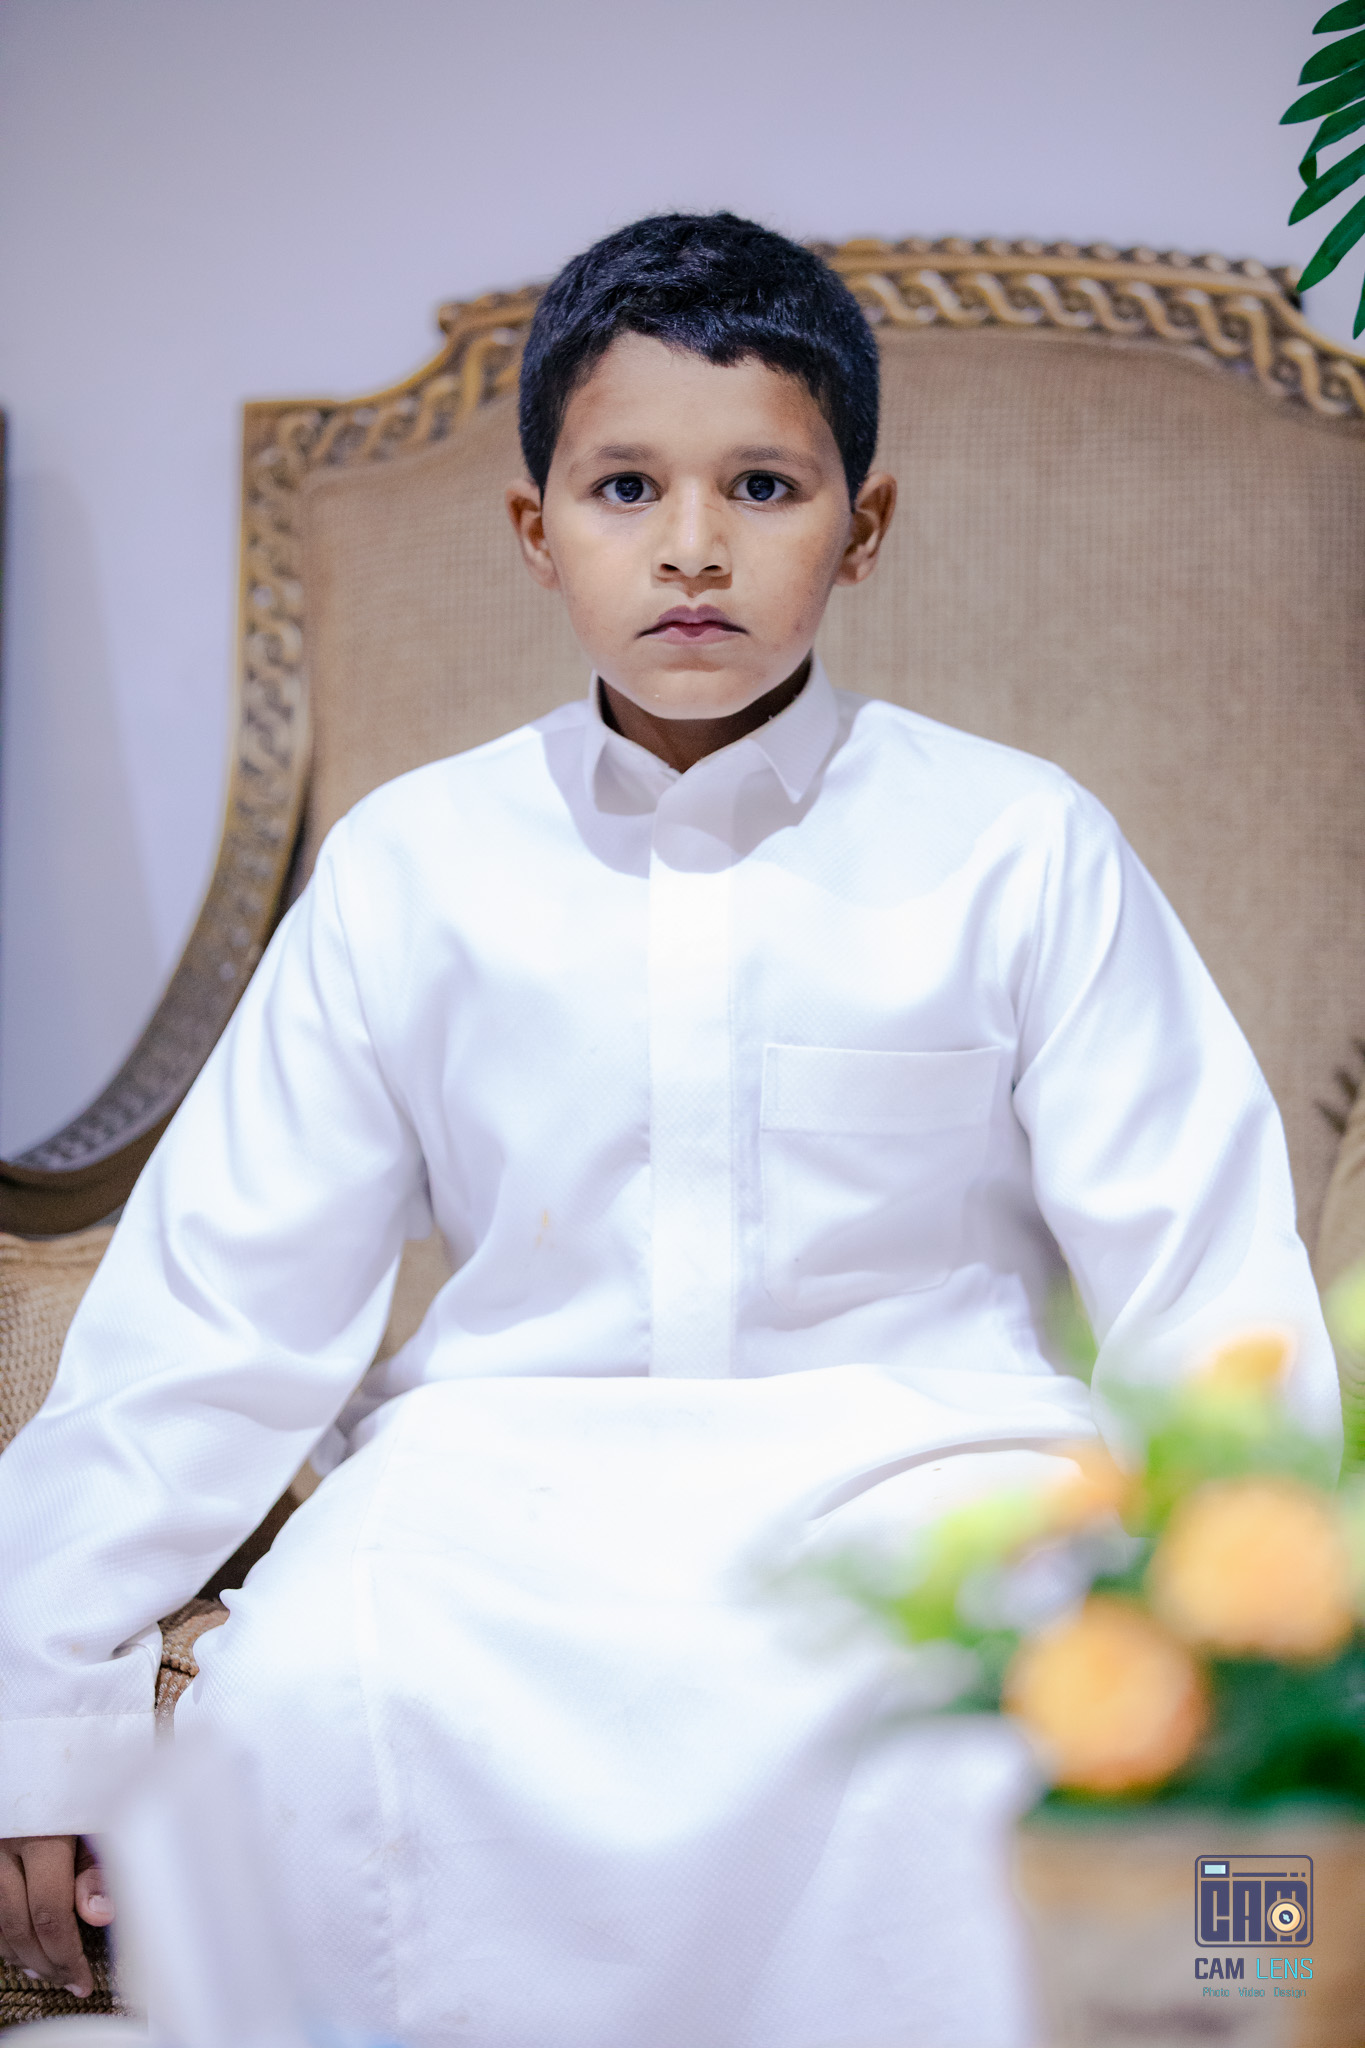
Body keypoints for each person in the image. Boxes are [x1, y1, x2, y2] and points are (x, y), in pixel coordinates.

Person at [0, 212, 1343, 2048]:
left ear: (861, 525)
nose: (692, 544)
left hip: (938, 1490)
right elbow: (212, 1318)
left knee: (988, 1747)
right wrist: (39, 1698)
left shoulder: (1018, 845)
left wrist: (1279, 1660)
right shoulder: (412, 866)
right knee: (305, 1702)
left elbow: (1205, 1281)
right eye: (625, 485)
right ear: (534, 528)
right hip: (493, 1511)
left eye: (762, 486)